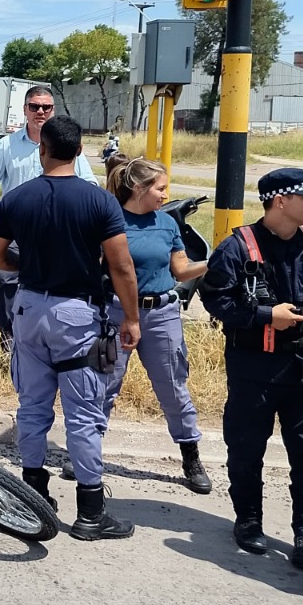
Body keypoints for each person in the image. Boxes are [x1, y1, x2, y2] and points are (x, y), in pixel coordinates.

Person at [0, 115, 141, 541]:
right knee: (84, 413)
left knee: (33, 406)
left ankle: (33, 492)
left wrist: (29, 266)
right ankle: (91, 511)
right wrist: (131, 318)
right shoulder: (98, 202)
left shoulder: (17, 198)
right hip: (77, 314)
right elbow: (121, 266)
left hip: (30, 307)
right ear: (79, 152)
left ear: (43, 149)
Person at [199, 168, 303, 567]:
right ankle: (249, 520)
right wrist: (262, 315)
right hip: (253, 369)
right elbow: (216, 301)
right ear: (280, 201)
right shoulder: (238, 247)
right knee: (245, 450)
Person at [104, 157, 211, 493]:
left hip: (162, 314)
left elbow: (180, 271)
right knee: (102, 387)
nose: (166, 195)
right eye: (160, 188)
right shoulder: (110, 221)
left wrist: (213, 262)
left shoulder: (166, 224)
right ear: (138, 188)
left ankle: (190, 456)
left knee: (173, 388)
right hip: (115, 313)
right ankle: (86, 455)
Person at [0, 85, 97, 340]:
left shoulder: (66, 143)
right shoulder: (7, 145)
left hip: (56, 234)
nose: (40, 111)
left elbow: (89, 184)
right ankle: (10, 344)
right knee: (6, 281)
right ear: (25, 110)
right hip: (15, 234)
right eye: (34, 106)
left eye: (46, 107)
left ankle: (51, 341)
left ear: (53, 110)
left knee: (56, 288)